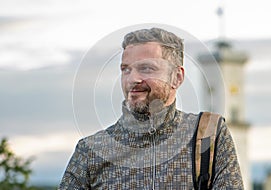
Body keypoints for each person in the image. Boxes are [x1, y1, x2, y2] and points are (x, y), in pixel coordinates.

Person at [59, 27, 244, 189]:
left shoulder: (209, 135)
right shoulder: (91, 151)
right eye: (126, 69)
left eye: (146, 69)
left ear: (176, 77)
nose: (132, 79)